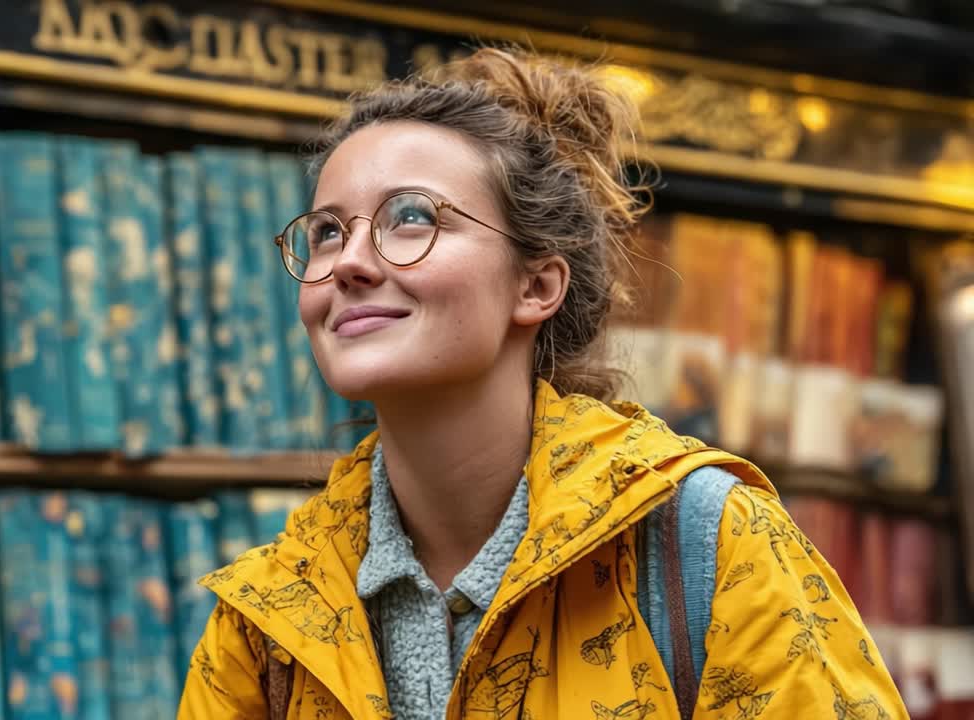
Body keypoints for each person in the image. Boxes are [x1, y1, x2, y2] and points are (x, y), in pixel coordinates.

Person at [178, 47, 906, 720]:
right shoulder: (268, 617)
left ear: (536, 285)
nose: (348, 264)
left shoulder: (708, 549)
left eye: (410, 218)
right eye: (328, 231)